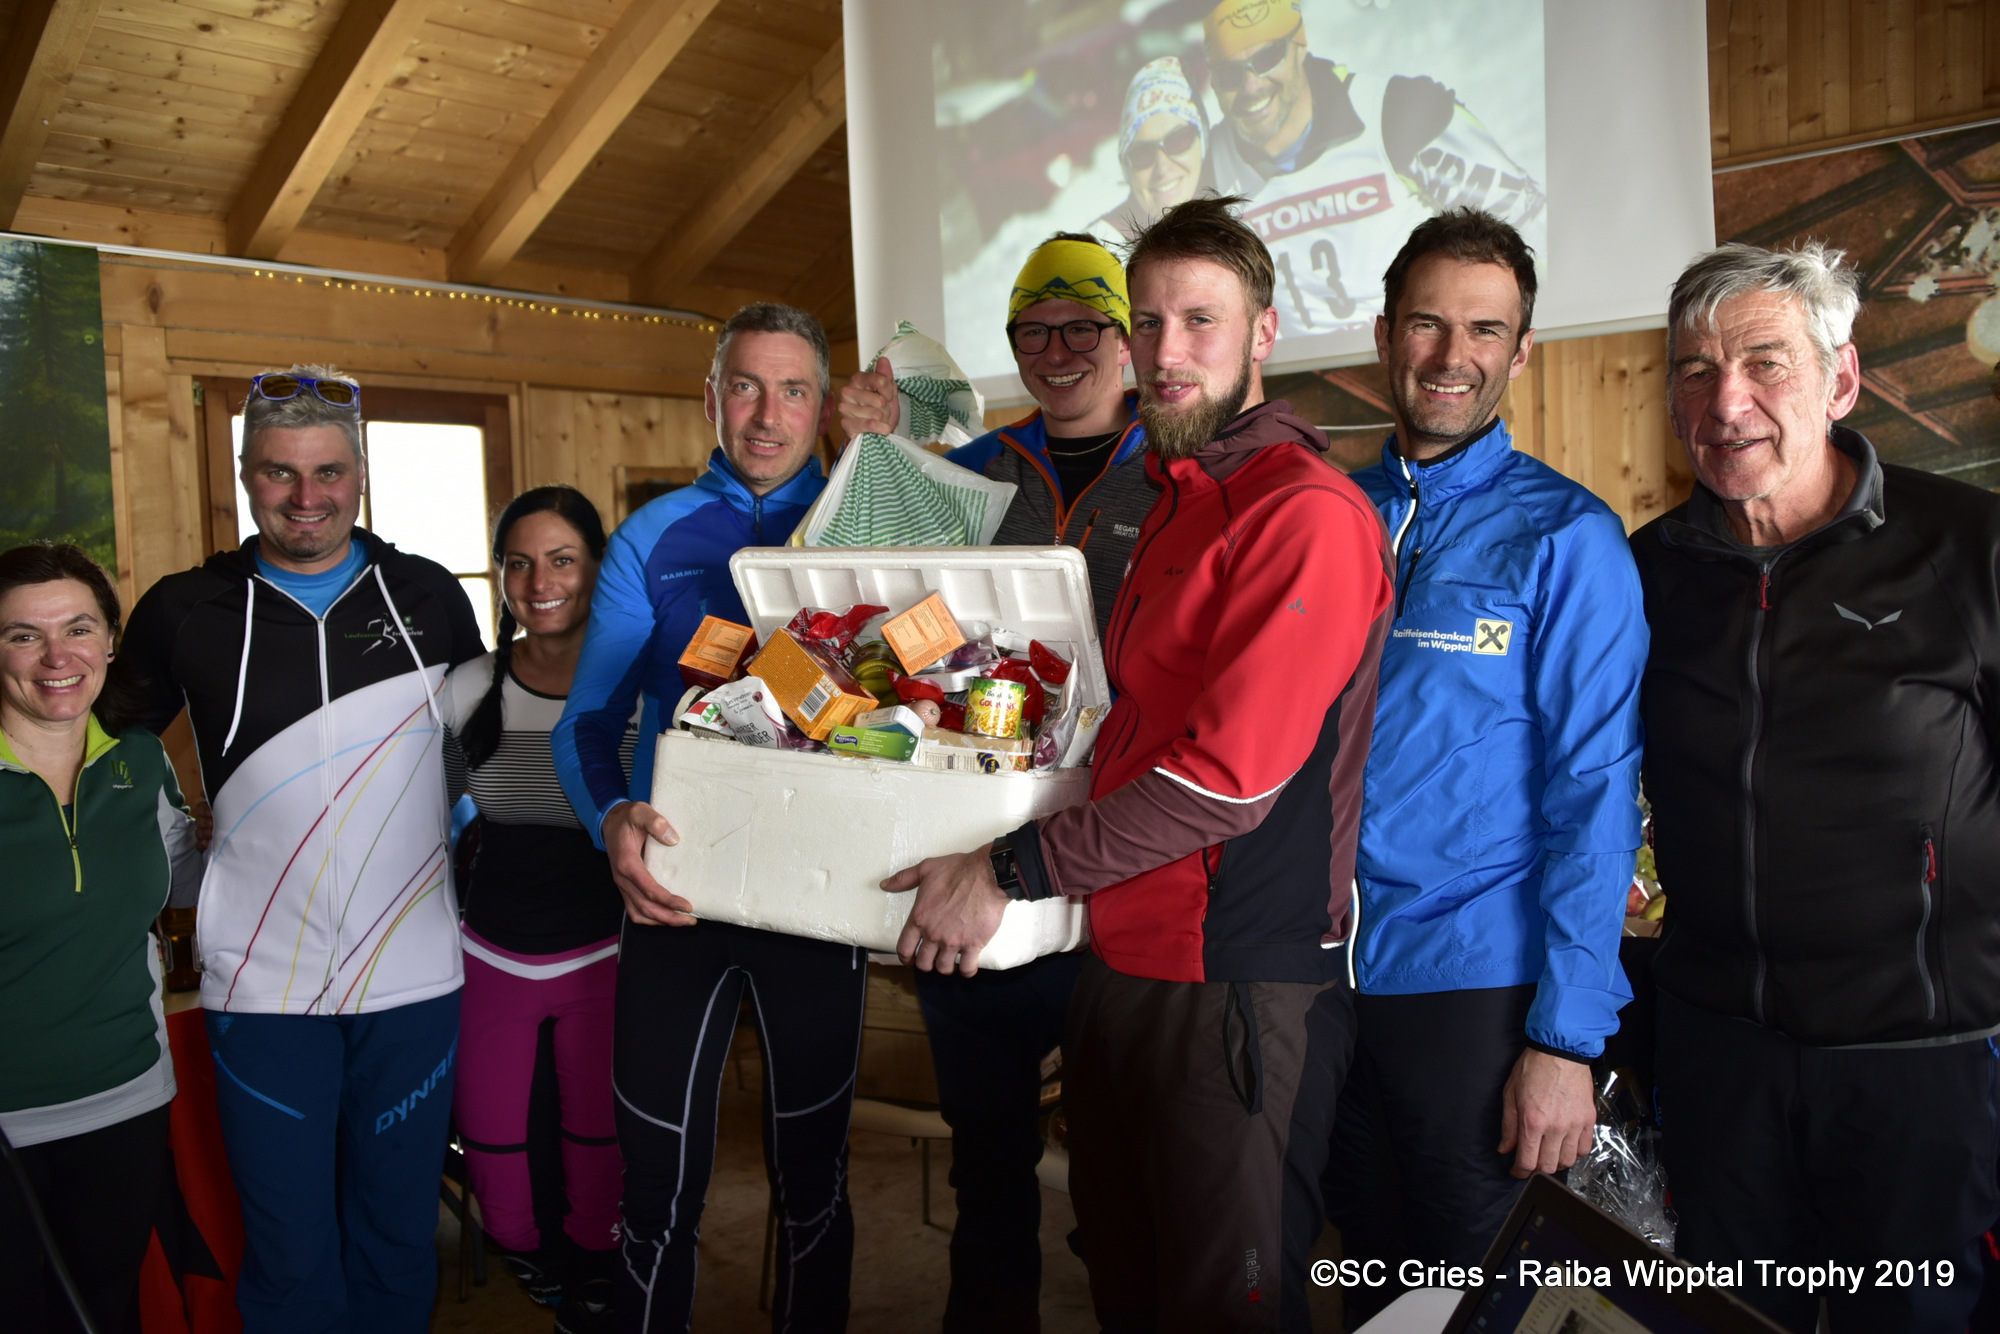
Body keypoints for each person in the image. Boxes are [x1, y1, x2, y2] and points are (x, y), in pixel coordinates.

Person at [881, 195, 1394, 1332]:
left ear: (1262, 333)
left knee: (1224, 1303)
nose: (1168, 354)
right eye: (1150, 322)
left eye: (1199, 322)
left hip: (1232, 983)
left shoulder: (1301, 510)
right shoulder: (1175, 498)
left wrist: (1006, 867)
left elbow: (1227, 778)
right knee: (1126, 1278)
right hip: (1116, 956)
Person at [1632, 241, 2000, 1334]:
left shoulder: (1967, 546)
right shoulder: (1641, 574)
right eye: (1693, 370)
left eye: (1762, 362)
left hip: (1922, 1059)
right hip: (1716, 1054)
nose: (1725, 399)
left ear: (1838, 381)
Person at [119, 365, 485, 1334]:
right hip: (260, 979)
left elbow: (485, 747)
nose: (306, 496)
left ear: (358, 473)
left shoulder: (430, 594)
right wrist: (167, 852)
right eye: (280, 473)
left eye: (326, 471)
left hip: (411, 973)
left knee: (396, 1232)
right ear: (246, 475)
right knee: (285, 1245)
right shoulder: (184, 607)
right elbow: (105, 748)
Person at [1327, 210, 1645, 1325]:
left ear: (1518, 351)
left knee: (1468, 1302)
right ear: (1382, 332)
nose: (1448, 354)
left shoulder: (1568, 537)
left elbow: (1597, 795)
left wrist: (1564, 1037)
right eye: (1425, 321)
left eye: (1482, 328)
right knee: (1365, 1282)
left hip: (1476, 988)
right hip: (1322, 982)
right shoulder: (1329, 517)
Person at [838, 233, 1154, 1333]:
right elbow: (879, 622)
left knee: (1124, 1179)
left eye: (1082, 326)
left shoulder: (1176, 468)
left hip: (1119, 868)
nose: (1058, 349)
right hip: (974, 848)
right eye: (1034, 329)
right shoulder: (971, 473)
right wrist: (876, 451)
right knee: (988, 1165)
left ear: (1125, 338)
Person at [552, 303, 862, 1334]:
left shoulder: (868, 524)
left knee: (811, 1183)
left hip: (820, 898)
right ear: (710, 396)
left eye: (793, 390)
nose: (766, 415)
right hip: (676, 892)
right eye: (744, 384)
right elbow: (585, 724)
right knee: (656, 1188)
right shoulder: (656, 536)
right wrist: (610, 822)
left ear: (823, 405)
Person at [443, 487, 631, 1334]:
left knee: (599, 1139)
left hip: (608, 948)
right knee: (494, 1149)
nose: (539, 579)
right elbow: (424, 823)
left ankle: (597, 1267)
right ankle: (536, 1260)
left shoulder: (638, 685)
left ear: (597, 567)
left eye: (562, 559)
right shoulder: (466, 690)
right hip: (492, 949)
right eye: (519, 562)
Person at [0, 543, 200, 1334]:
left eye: (79, 628)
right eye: (22, 635)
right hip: (7, 1123)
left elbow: (183, 883)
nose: (57, 656)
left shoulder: (144, 763)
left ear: (111, 640)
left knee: (102, 1311)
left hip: (126, 1098)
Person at [1200, 0, 1543, 337]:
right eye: (1230, 73)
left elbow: (1527, 228)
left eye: (1266, 58)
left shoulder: (1398, 113)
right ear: (1213, 81)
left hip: (1418, 360)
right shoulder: (1205, 162)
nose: (1251, 85)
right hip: (1297, 375)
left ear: (1299, 45)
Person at [1093, 58, 1209, 243]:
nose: (1162, 167)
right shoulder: (1102, 252)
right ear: (1126, 167)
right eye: (1142, 154)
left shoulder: (1243, 202)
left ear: (1202, 139)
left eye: (1177, 141)